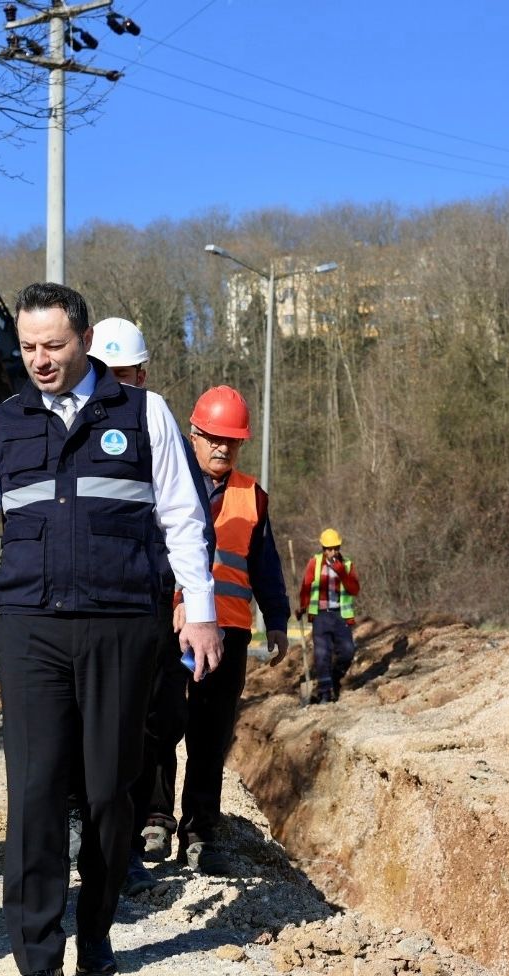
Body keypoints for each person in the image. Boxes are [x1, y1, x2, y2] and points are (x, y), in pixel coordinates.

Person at [0, 283, 223, 976]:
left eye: (54, 346)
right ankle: (37, 959)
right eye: (29, 347)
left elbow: (183, 518)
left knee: (108, 789)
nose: (39, 360)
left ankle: (95, 928)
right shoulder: (2, 424)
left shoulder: (142, 414)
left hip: (122, 624)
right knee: (35, 794)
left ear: (85, 339)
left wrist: (199, 612)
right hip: (32, 627)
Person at [85, 317, 215, 898]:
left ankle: (131, 838)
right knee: (84, 726)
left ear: (142, 373)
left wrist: (189, 598)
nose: (115, 383)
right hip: (86, 608)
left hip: (152, 608)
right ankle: (84, 832)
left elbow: (191, 522)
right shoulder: (70, 428)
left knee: (149, 724)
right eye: (106, 373)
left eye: (125, 374)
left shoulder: (157, 427)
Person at [143, 385, 291, 876]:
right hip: (168, 628)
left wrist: (277, 620)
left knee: (210, 735)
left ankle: (201, 831)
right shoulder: (163, 482)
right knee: (160, 724)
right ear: (194, 434)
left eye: (232, 440)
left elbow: (265, 566)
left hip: (227, 632)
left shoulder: (253, 496)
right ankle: (155, 819)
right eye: (213, 437)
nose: (222, 447)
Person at [296, 528, 360, 704]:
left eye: (335, 548)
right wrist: (302, 606)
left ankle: (334, 676)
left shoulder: (347, 565)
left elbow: (354, 589)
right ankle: (325, 693)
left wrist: (340, 572)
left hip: (341, 616)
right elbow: (306, 587)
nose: (332, 552)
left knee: (348, 651)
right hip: (321, 617)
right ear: (323, 548)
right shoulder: (314, 563)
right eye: (329, 548)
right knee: (322, 654)